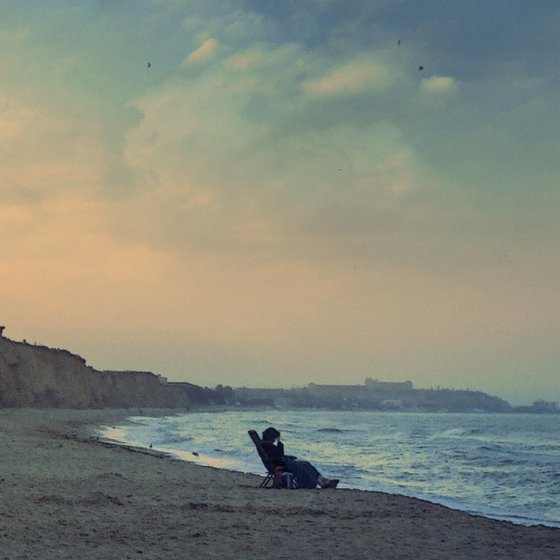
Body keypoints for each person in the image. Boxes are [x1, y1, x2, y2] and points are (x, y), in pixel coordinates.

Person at [261, 427, 339, 489]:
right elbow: (280, 454)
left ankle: (323, 481)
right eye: (275, 437)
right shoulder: (269, 445)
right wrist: (279, 442)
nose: (275, 439)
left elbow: (277, 455)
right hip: (281, 464)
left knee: (306, 464)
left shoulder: (266, 445)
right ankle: (323, 482)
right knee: (306, 465)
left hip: (279, 462)